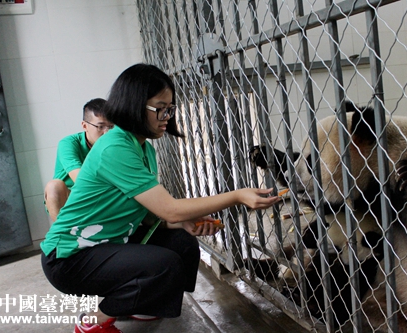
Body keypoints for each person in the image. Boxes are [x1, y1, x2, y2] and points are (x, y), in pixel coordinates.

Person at [40, 63, 280, 333]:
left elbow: (151, 214)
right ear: (134, 104)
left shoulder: (143, 148)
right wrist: (236, 196)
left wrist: (184, 224)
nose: (167, 116)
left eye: (170, 108)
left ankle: (143, 304)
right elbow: (171, 210)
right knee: (163, 266)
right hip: (69, 258)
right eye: (160, 108)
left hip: (107, 241)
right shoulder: (115, 146)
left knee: (183, 245)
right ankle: (94, 321)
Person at [44, 98, 113, 221]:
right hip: (73, 199)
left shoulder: (114, 145)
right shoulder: (69, 143)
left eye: (111, 127)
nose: (106, 133)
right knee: (54, 186)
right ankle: (62, 234)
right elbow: (80, 178)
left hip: (101, 198)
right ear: (85, 126)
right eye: (100, 127)